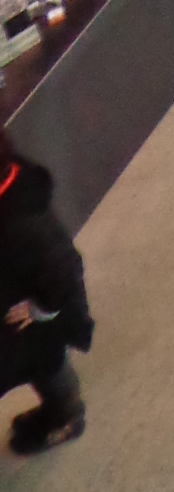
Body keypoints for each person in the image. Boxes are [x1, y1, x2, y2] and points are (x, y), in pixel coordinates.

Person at [0, 124, 91, 453]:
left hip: (30, 318)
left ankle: (66, 414)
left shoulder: (23, 223)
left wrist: (41, 309)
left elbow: (64, 270)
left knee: (46, 363)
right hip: (12, 299)